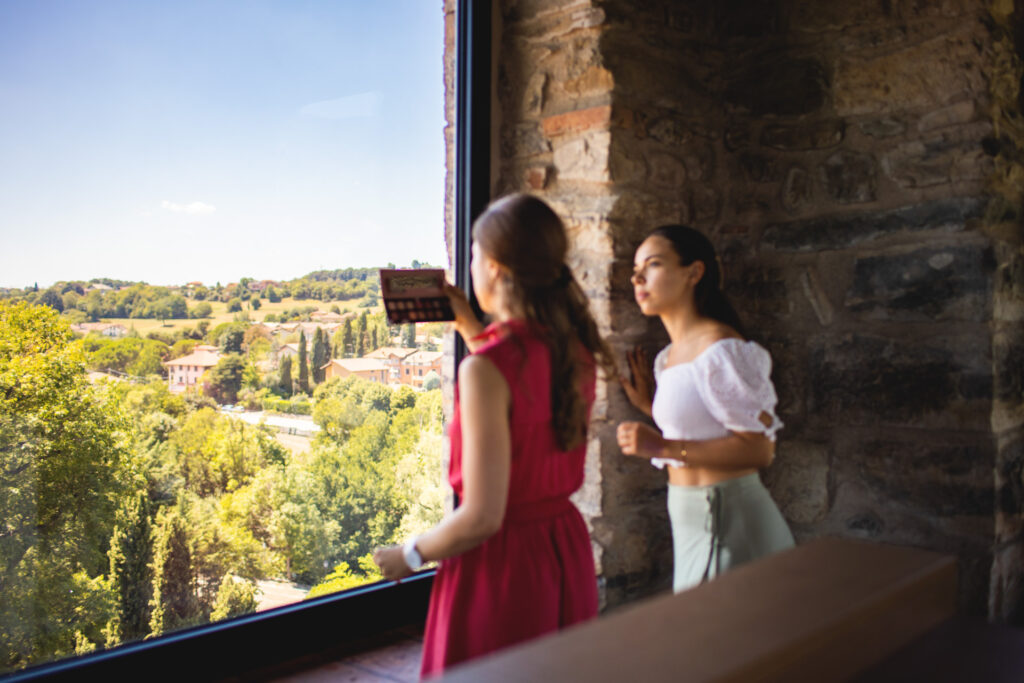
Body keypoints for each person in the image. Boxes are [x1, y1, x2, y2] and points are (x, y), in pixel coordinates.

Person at [373, 193, 614, 679]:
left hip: (503, 569)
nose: (471, 266)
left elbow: (483, 516)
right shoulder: (573, 349)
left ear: (497, 267)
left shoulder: (485, 370)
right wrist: (469, 324)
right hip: (562, 550)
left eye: (474, 255)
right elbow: (522, 383)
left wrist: (409, 555)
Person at [616, 225, 794, 593]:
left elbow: (760, 449)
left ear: (694, 273)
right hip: (689, 521)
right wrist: (652, 407)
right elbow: (706, 425)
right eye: (636, 269)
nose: (637, 278)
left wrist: (662, 448)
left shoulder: (722, 349)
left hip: (730, 522)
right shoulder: (668, 358)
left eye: (653, 265)